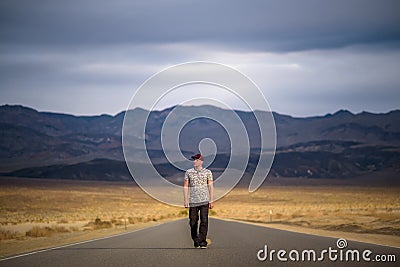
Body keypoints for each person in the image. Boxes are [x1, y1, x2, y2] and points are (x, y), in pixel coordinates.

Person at [184, 153, 214, 249]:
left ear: (201, 161)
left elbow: (210, 186)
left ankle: (202, 242)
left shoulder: (208, 172)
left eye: (196, 160)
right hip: (193, 201)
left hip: (204, 200)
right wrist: (185, 199)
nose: (194, 161)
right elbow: (185, 186)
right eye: (194, 159)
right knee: (193, 221)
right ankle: (195, 239)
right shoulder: (188, 172)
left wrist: (211, 200)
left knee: (204, 220)